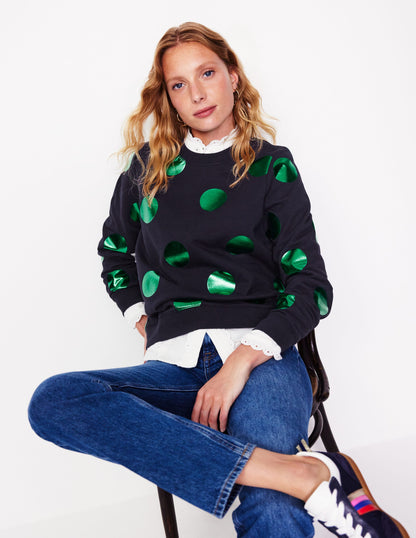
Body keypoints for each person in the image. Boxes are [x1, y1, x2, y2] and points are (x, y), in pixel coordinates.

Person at [28, 22, 408, 538]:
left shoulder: (271, 167)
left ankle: (283, 479)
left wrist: (240, 363)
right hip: (173, 368)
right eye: (179, 84)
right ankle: (301, 473)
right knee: (56, 401)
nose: (197, 93)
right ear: (168, 98)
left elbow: (312, 288)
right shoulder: (145, 170)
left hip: (263, 360)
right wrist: (144, 319)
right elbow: (114, 254)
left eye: (207, 73)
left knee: (271, 507)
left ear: (233, 76)